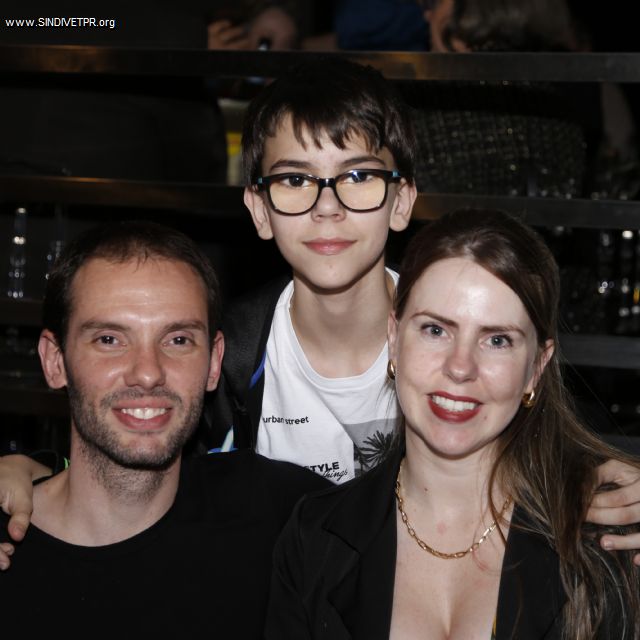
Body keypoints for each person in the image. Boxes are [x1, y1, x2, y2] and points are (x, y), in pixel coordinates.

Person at [2, 56, 640, 561]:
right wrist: (38, 475)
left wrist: (594, 481)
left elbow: (546, 440)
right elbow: (135, 459)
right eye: (295, 179)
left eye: (358, 176)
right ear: (259, 208)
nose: (327, 206)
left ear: (401, 201)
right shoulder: (227, 352)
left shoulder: (460, 337)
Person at [265, 208, 640, 639]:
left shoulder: (605, 538)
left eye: (497, 340)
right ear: (394, 337)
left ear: (537, 367)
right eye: (435, 330)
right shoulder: (314, 539)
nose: (460, 367)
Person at [0, 220, 328, 635]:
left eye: (178, 340)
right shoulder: (10, 552)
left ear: (214, 362)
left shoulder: (284, 516)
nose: (148, 373)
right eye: (109, 339)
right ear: (54, 361)